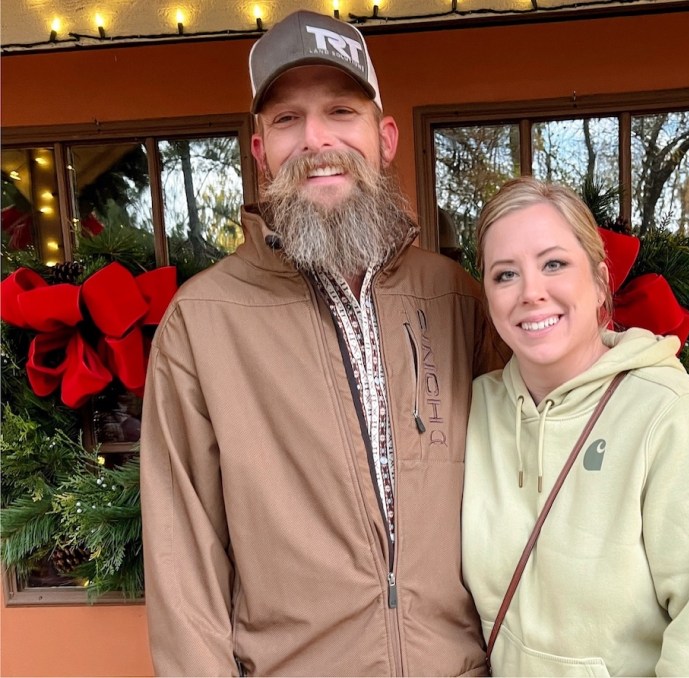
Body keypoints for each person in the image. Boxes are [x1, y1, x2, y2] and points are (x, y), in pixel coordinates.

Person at [140, 10, 506, 676]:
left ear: (384, 136)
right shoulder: (203, 322)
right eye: (286, 119)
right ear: (259, 152)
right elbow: (181, 562)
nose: (316, 139)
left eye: (341, 110)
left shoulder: (456, 299)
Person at [462, 177, 689, 677]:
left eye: (554, 264)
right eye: (504, 275)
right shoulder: (477, 411)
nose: (531, 292)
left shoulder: (673, 415)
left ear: (600, 280)